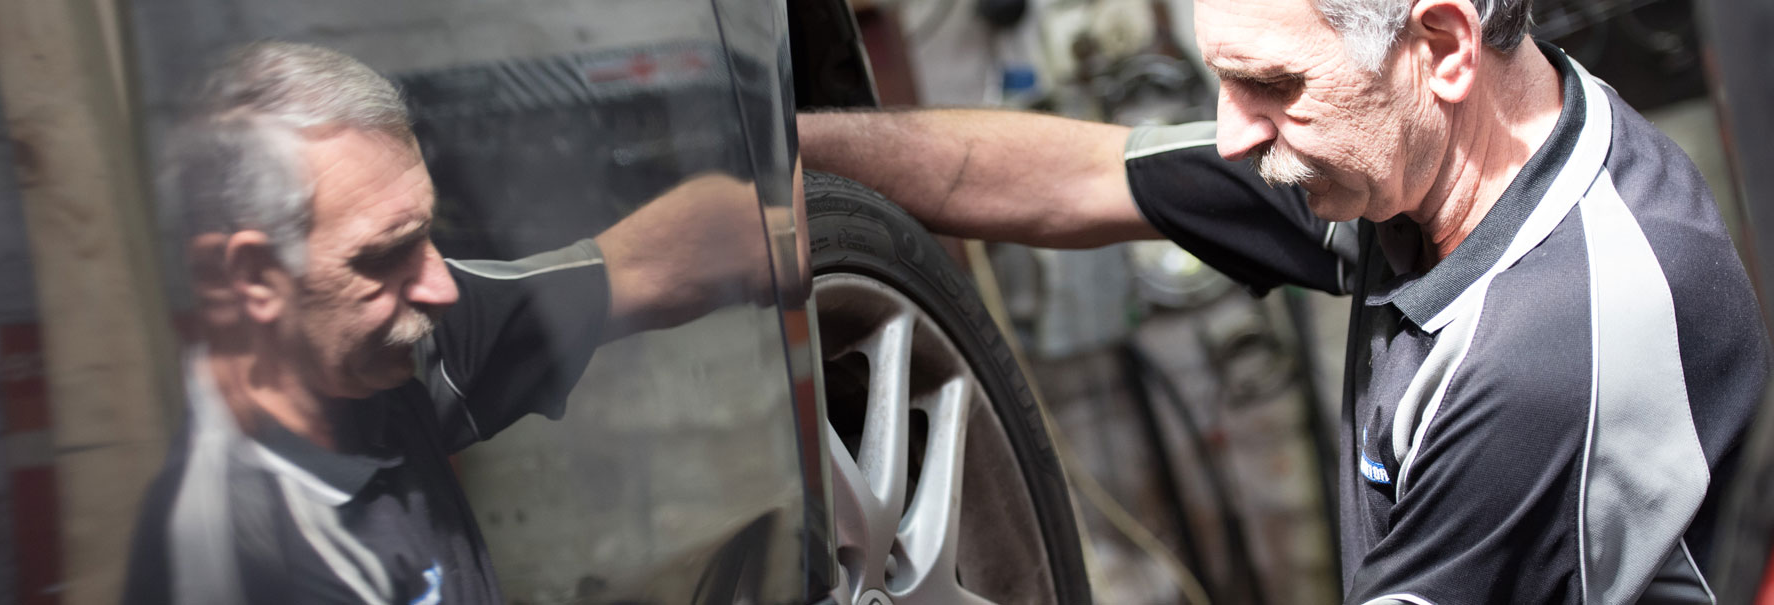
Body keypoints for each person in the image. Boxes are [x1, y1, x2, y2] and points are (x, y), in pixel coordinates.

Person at [798, 0, 1766, 601]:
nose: (1231, 136)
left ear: (1443, 44)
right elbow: (1074, 178)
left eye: (1267, 84)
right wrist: (779, 156)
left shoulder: (1543, 356)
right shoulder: (1452, 137)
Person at [123, 42, 788, 604]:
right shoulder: (236, 556)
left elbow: (642, 265)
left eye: (427, 234)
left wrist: (829, 223)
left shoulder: (379, 351)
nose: (439, 285)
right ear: (252, 278)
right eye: (385, 254)